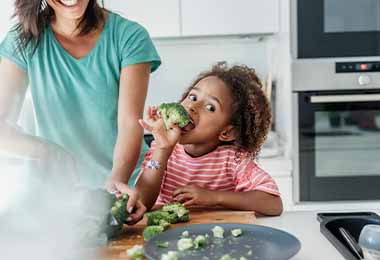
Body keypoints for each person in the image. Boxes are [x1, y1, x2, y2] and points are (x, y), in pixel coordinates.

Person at [0, 0, 161, 224]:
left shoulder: (129, 36)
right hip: (62, 195)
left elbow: (129, 123)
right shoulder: (23, 40)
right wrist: (48, 151)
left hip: (126, 187)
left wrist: (114, 186)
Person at [136, 63, 283, 216]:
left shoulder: (234, 160)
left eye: (210, 107)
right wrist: (162, 150)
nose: (193, 106)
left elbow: (273, 204)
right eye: (192, 97)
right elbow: (141, 202)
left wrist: (214, 197)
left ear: (227, 132)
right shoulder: (162, 150)